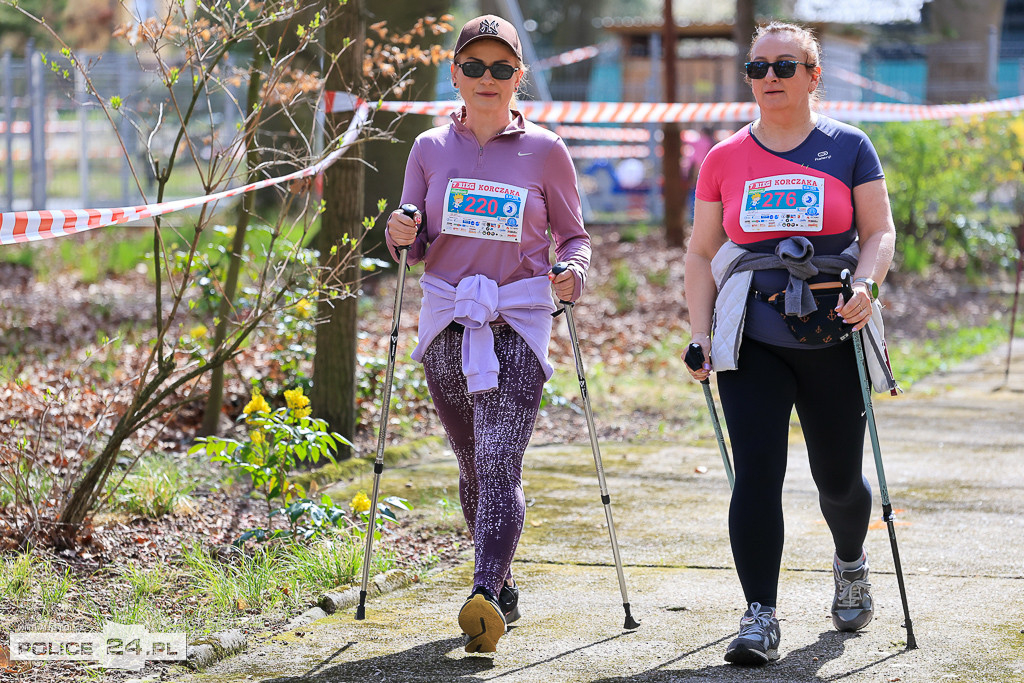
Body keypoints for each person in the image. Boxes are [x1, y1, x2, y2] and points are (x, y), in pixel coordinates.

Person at [683, 20, 896, 666]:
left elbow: (879, 230)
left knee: (837, 478)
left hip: (833, 326)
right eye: (757, 68)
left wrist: (867, 282)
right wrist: (698, 334)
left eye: (783, 65)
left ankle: (851, 561)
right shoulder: (723, 159)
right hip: (752, 333)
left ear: (813, 76)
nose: (769, 78)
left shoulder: (849, 146)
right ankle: (759, 615)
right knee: (757, 474)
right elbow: (700, 252)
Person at [384, 14, 591, 654]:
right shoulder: (427, 149)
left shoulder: (547, 151)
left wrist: (572, 272)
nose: (486, 78)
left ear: (518, 78)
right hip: (448, 318)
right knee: (475, 465)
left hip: (519, 319)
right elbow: (414, 242)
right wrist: (400, 234)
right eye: (474, 66)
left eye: (501, 68)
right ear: (454, 74)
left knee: (502, 460)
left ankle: (482, 590)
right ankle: (501, 583)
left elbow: (575, 236)